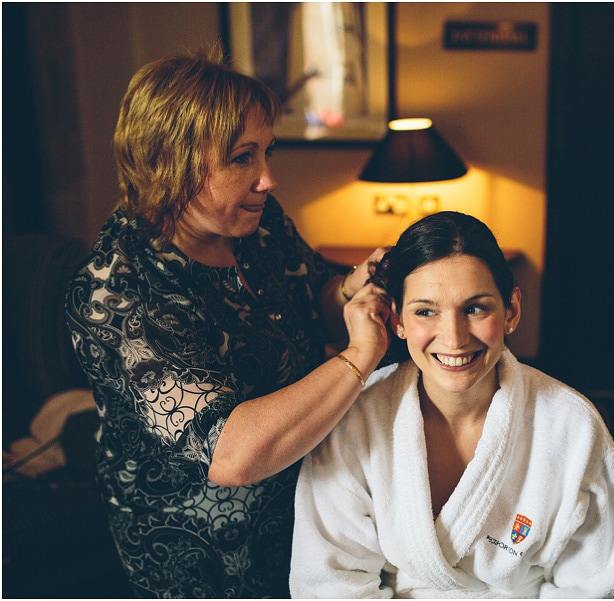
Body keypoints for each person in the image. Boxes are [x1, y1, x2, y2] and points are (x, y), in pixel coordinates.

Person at [65, 47, 392, 598]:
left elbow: (314, 289)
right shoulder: (117, 291)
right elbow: (232, 454)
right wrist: (358, 357)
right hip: (203, 555)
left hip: (305, 508)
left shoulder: (255, 225)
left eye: (267, 152)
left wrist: (356, 286)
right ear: (172, 162)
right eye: (243, 157)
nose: (268, 178)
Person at [289, 211, 614, 598]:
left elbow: (599, 589)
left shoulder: (572, 427)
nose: (454, 337)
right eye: (426, 311)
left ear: (511, 311)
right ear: (396, 320)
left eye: (475, 308)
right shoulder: (355, 420)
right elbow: (330, 585)